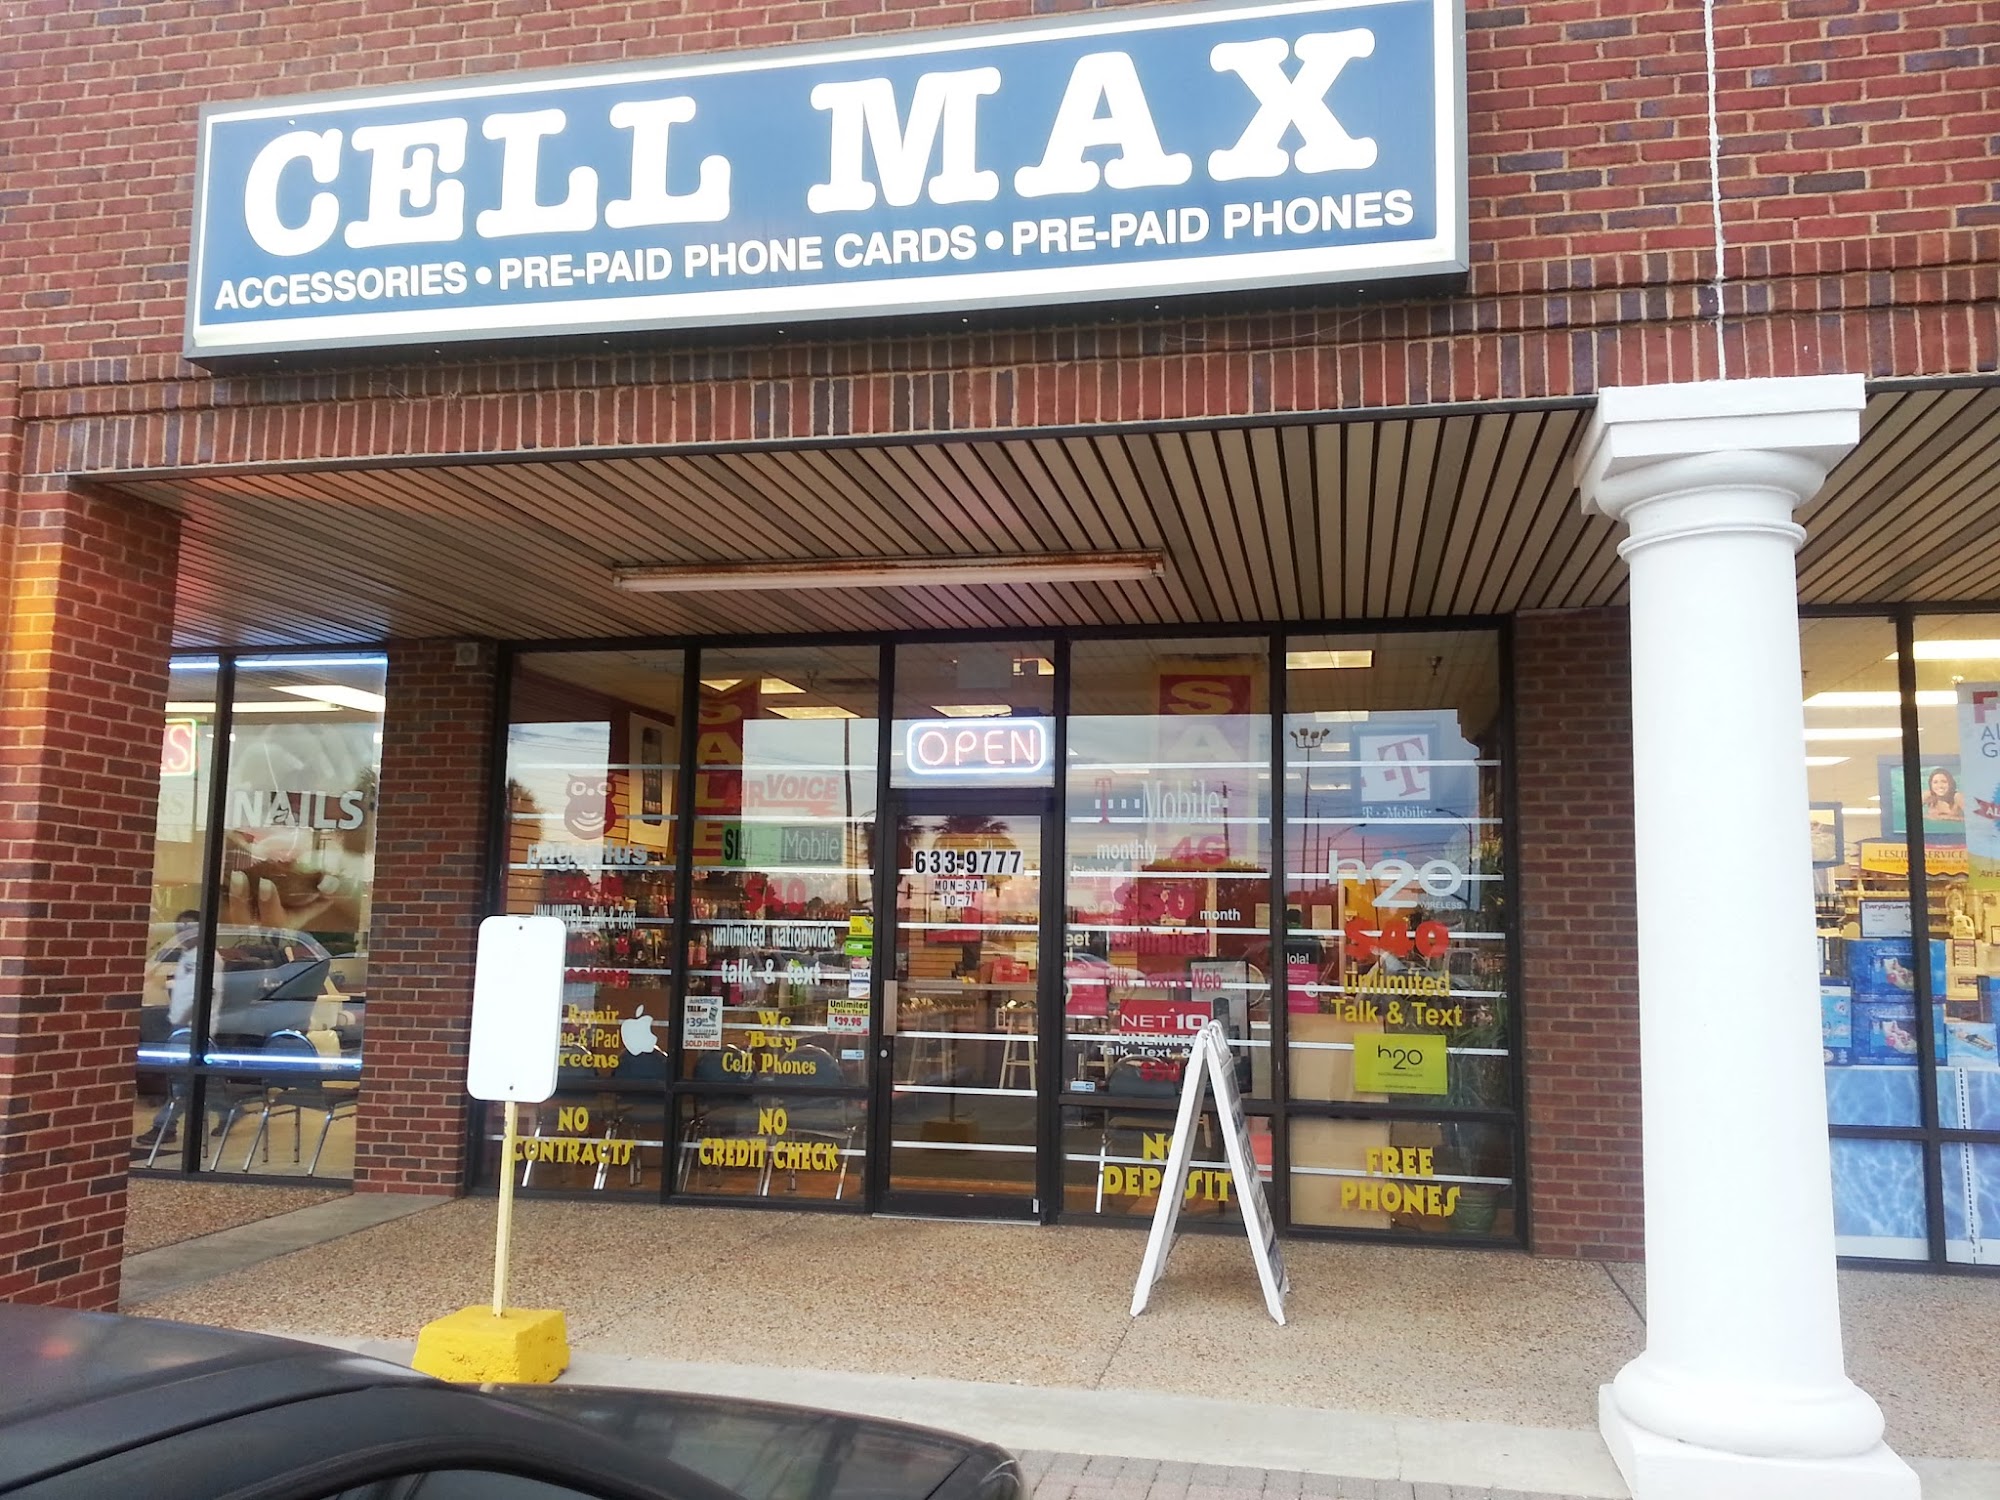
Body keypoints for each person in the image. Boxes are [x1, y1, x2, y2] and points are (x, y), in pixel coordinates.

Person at [134, 912, 202, 1151]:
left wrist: (183, 1022)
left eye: (189, 928)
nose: (183, 933)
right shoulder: (185, 956)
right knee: (200, 1081)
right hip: (178, 1027)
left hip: (191, 1029)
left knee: (182, 1083)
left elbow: (202, 995)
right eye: (180, 928)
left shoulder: (206, 958)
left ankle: (165, 1126)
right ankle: (228, 1110)